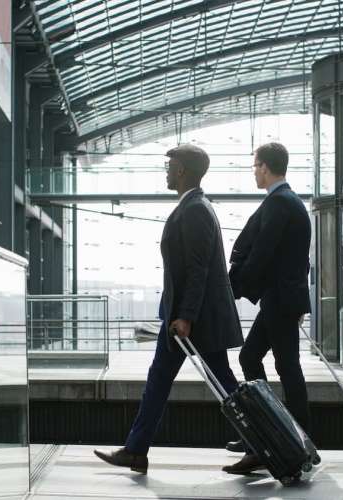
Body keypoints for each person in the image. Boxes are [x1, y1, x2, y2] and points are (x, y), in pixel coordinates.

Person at [94, 144, 243, 474]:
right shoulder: (193, 206)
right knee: (166, 380)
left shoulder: (195, 210)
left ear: (182, 171)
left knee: (219, 384)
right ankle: (136, 450)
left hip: (192, 320)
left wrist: (185, 317)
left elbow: (198, 269)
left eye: (169, 166)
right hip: (186, 317)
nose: (166, 171)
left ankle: (261, 442)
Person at [223, 142, 312, 474]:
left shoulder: (279, 203)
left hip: (280, 299)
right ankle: (269, 435)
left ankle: (284, 441)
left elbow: (262, 252)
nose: (254, 173)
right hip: (283, 298)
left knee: (284, 367)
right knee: (261, 360)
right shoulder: (290, 202)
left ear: (264, 166)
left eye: (255, 166)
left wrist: (233, 288)